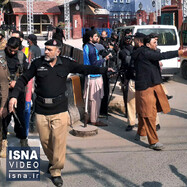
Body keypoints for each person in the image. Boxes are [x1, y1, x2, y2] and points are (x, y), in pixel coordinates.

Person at [9, 39, 113, 187]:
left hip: (60, 109)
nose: (46, 52)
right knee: (45, 142)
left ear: (58, 51)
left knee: (58, 142)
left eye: (49, 49)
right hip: (41, 110)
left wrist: (104, 70)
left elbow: (84, 68)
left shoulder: (66, 63)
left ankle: (56, 171)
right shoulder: (38, 64)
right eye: (45, 49)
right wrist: (13, 96)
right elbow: (24, 78)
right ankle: (53, 161)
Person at [133, 34, 187, 150]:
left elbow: (158, 55)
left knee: (146, 112)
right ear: (147, 44)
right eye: (154, 42)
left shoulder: (144, 51)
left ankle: (140, 133)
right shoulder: (145, 53)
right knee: (149, 114)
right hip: (145, 87)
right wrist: (180, 52)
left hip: (153, 85)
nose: (156, 44)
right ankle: (153, 142)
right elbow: (163, 55)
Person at [1, 37, 29, 156]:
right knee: (3, 116)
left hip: (18, 92)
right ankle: (3, 141)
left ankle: (23, 139)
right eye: (10, 50)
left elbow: (27, 74)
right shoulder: (1, 56)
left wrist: (16, 82)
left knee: (20, 116)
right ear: (6, 45)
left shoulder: (22, 56)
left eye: (15, 50)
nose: (12, 52)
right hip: (3, 91)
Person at [83, 30, 112, 126]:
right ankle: (94, 120)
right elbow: (95, 63)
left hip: (89, 76)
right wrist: (105, 59)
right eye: (95, 36)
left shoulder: (87, 46)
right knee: (96, 100)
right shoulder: (91, 48)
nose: (97, 38)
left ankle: (89, 118)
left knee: (90, 100)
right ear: (90, 38)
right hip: (94, 77)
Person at [119, 35, 134, 121]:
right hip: (129, 74)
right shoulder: (133, 50)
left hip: (126, 74)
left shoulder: (122, 51)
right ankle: (130, 111)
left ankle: (128, 111)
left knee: (126, 93)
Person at [0, 50, 11, 158]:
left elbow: (4, 86)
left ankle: (3, 141)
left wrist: (3, 106)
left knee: (3, 122)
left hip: (1, 97)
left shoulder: (1, 64)